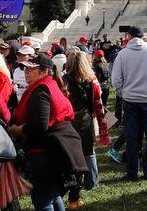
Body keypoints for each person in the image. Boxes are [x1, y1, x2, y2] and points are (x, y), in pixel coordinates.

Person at [8, 53, 75, 211]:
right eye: (25, 68)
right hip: (52, 151)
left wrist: (17, 129)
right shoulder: (48, 85)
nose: (26, 72)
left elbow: (39, 127)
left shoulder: (41, 90)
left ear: (44, 72)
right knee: (52, 195)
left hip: (43, 153)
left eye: (32, 69)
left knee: (43, 200)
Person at [111, 26, 147, 180]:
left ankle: (132, 171)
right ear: (143, 36)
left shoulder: (122, 54)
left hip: (130, 100)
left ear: (129, 36)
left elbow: (116, 80)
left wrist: (123, 92)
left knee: (131, 135)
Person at [63, 51, 105, 209]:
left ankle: (74, 183)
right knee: (88, 151)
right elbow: (98, 99)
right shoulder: (90, 81)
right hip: (85, 119)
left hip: (69, 120)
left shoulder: (65, 80)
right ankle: (92, 182)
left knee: (72, 153)